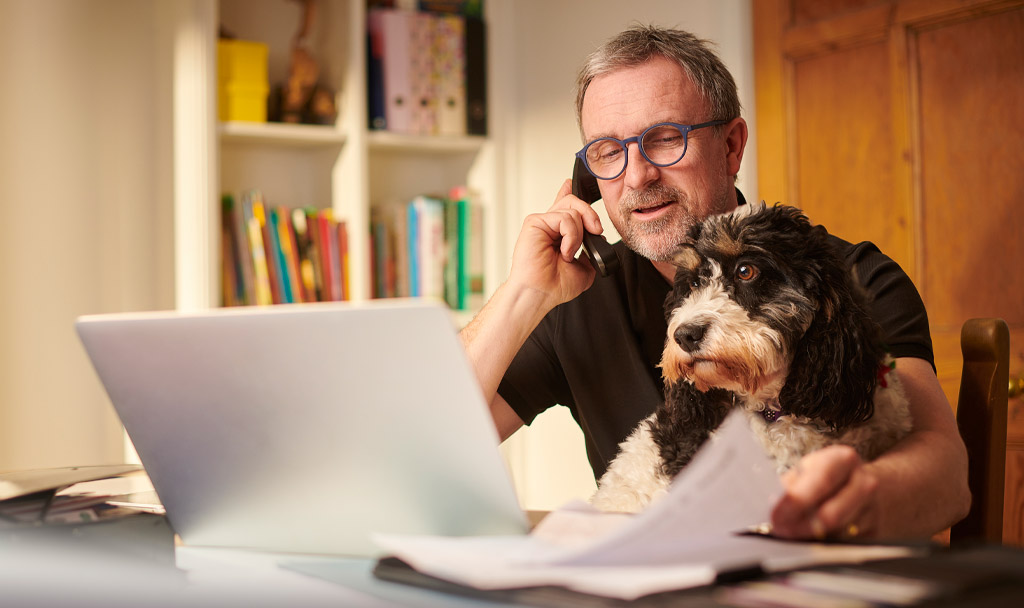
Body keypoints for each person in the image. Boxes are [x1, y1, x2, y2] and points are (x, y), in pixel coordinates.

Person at [460, 25, 970, 540]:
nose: (636, 178)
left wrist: (845, 502)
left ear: (730, 146)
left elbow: (946, 477)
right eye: (608, 151)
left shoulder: (850, 279)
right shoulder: (577, 294)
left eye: (664, 139)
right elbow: (421, 441)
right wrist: (523, 293)